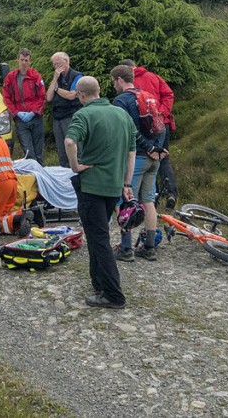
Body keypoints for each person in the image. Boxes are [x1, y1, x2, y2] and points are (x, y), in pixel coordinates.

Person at [65, 76, 136, 309]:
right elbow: (131, 152)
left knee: (99, 239)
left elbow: (69, 141)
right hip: (114, 185)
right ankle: (98, 282)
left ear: (81, 94)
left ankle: (113, 294)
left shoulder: (84, 115)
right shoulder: (122, 114)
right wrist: (126, 183)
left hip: (92, 185)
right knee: (98, 234)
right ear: (99, 91)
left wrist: (75, 166)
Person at [111, 64, 167, 262]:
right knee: (148, 201)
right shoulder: (148, 95)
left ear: (119, 80)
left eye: (114, 81)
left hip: (138, 158)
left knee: (126, 201)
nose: (114, 85)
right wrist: (158, 149)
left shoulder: (121, 100)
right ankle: (149, 247)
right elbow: (162, 125)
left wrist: (148, 148)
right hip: (154, 160)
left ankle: (126, 249)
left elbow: (130, 130)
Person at [122, 59, 178, 209]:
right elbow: (168, 94)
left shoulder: (129, 83)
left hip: (144, 126)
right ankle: (171, 194)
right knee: (162, 159)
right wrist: (161, 113)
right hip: (161, 123)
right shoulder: (154, 77)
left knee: (145, 158)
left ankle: (152, 197)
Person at [2, 48, 46, 161]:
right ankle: (32, 175)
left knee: (39, 152)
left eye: (26, 60)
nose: (24, 63)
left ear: (30, 61)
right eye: (22, 60)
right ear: (18, 60)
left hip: (36, 117)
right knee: (28, 152)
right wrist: (16, 113)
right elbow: (6, 98)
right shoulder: (11, 77)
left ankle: (39, 177)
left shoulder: (36, 76)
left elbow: (42, 97)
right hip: (20, 119)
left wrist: (34, 112)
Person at [47, 52, 84, 167]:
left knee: (73, 146)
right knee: (61, 149)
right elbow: (48, 97)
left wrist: (57, 89)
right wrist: (55, 79)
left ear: (66, 61)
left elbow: (72, 95)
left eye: (58, 63)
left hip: (71, 115)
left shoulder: (77, 76)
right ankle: (64, 172)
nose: (56, 67)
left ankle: (78, 172)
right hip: (58, 117)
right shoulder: (57, 78)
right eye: (54, 65)